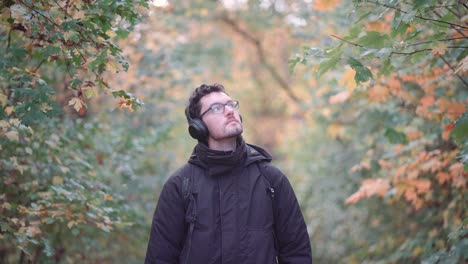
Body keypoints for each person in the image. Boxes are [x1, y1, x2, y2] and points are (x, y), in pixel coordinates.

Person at [145, 83, 312, 264]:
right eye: (216, 108)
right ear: (198, 126)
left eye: (231, 105)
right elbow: (160, 258)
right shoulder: (180, 185)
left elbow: (296, 253)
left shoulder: (271, 180)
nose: (229, 111)